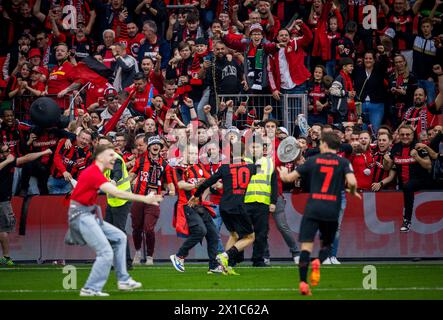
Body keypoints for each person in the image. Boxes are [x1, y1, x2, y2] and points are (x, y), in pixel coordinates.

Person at [64, 144, 163, 296]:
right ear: (101, 157)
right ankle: (90, 288)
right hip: (81, 215)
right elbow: (118, 193)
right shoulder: (95, 173)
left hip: (87, 213)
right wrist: (145, 198)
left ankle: (123, 279)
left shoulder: (97, 171)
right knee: (106, 252)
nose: (115, 158)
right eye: (110, 155)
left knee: (120, 237)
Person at [278, 132, 360, 295]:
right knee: (327, 246)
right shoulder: (344, 162)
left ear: (323, 144)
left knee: (306, 247)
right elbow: (352, 182)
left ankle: (303, 283)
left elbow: (289, 179)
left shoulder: (312, 161)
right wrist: (352, 191)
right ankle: (317, 262)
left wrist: (283, 174)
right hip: (331, 209)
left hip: (313, 207)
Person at [189, 142, 256, 275]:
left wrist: (196, 196)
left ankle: (226, 266)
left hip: (224, 206)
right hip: (238, 205)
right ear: (244, 153)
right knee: (250, 237)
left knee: (234, 235)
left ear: (231, 153)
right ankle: (225, 256)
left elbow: (208, 182)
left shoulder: (225, 168)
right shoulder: (252, 167)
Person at [170, 144, 219, 274]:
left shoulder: (199, 167)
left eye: (194, 154)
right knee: (200, 231)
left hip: (200, 205)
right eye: (190, 153)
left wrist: (220, 183)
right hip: (187, 205)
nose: (193, 156)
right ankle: (179, 256)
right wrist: (196, 184)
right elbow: (180, 185)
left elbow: (210, 181)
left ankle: (213, 266)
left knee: (213, 234)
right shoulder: (178, 169)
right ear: (183, 154)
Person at [0, 145, 52, 266]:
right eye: (6, 151)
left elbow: (27, 158)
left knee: (3, 230)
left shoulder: (8, 162)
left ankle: (6, 257)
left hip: (3, 201)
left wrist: (43, 152)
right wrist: (8, 160)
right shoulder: (7, 161)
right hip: (2, 202)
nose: (10, 152)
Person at [383, 124, 433, 232]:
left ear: (412, 135)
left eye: (407, 134)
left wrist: (417, 157)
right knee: (406, 186)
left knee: (408, 186)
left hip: (420, 181)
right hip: (403, 184)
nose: (405, 136)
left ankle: (407, 220)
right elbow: (387, 167)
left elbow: (429, 166)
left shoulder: (418, 146)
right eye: (402, 134)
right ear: (399, 136)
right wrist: (385, 160)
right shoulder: (396, 147)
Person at [129, 135, 169, 266]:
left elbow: (167, 185)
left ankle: (150, 256)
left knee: (149, 229)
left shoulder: (164, 164)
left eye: (159, 144)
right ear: (150, 147)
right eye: (154, 144)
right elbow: (131, 175)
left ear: (161, 148)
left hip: (153, 200)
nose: (156, 146)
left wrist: (165, 192)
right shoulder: (140, 160)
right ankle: (138, 252)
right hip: (139, 198)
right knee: (136, 228)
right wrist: (120, 186)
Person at [97, 136, 133, 270]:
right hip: (112, 201)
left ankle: (126, 263)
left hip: (122, 200)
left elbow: (116, 172)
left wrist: (114, 181)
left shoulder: (115, 158)